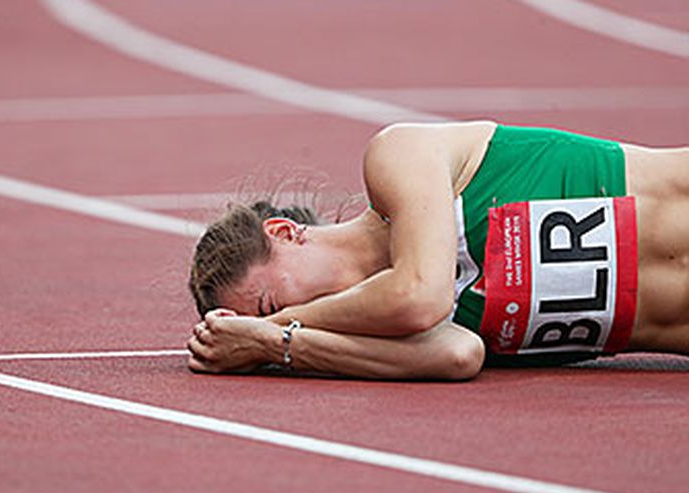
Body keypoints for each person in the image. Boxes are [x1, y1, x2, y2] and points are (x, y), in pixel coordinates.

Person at [186, 121, 689, 380]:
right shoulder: (393, 331)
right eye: (278, 318)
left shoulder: (398, 157)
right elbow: (458, 355)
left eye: (276, 305)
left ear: (285, 233)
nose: (297, 317)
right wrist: (279, 347)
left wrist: (269, 332)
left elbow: (420, 296)